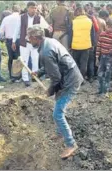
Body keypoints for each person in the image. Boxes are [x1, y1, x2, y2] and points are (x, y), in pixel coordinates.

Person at [28, 25, 83, 159]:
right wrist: (39, 72)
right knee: (58, 103)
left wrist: (50, 90)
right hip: (68, 76)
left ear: (35, 38)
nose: (29, 41)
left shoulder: (45, 52)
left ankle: (71, 144)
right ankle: (60, 132)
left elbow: (56, 78)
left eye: (30, 38)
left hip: (70, 81)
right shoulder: (49, 41)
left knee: (58, 113)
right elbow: (52, 65)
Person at [12, 1, 50, 87]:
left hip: (35, 43)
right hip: (24, 43)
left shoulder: (39, 18)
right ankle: (25, 79)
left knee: (35, 59)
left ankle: (34, 77)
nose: (34, 10)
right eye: (32, 8)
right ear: (28, 8)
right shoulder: (21, 17)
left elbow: (47, 27)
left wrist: (49, 28)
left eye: (35, 8)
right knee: (24, 61)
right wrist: (13, 41)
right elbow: (17, 29)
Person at [69, 5, 95, 81]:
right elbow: (92, 34)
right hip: (86, 46)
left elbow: (70, 34)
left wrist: (69, 45)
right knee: (84, 64)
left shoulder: (73, 22)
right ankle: (82, 79)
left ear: (76, 13)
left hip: (75, 46)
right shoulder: (89, 21)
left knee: (76, 63)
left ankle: (76, 78)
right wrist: (92, 44)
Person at [95, 19, 112, 97]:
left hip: (110, 57)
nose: (110, 29)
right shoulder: (102, 34)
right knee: (100, 73)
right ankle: (100, 89)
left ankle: (105, 91)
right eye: (108, 27)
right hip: (102, 57)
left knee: (108, 74)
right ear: (106, 27)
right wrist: (97, 57)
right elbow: (98, 46)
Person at [0, 5, 21, 82]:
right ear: (19, 10)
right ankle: (17, 77)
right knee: (18, 57)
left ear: (12, 10)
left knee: (11, 57)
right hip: (18, 40)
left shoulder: (6, 18)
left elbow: (1, 31)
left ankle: (11, 76)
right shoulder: (20, 18)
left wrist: (3, 38)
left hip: (9, 40)